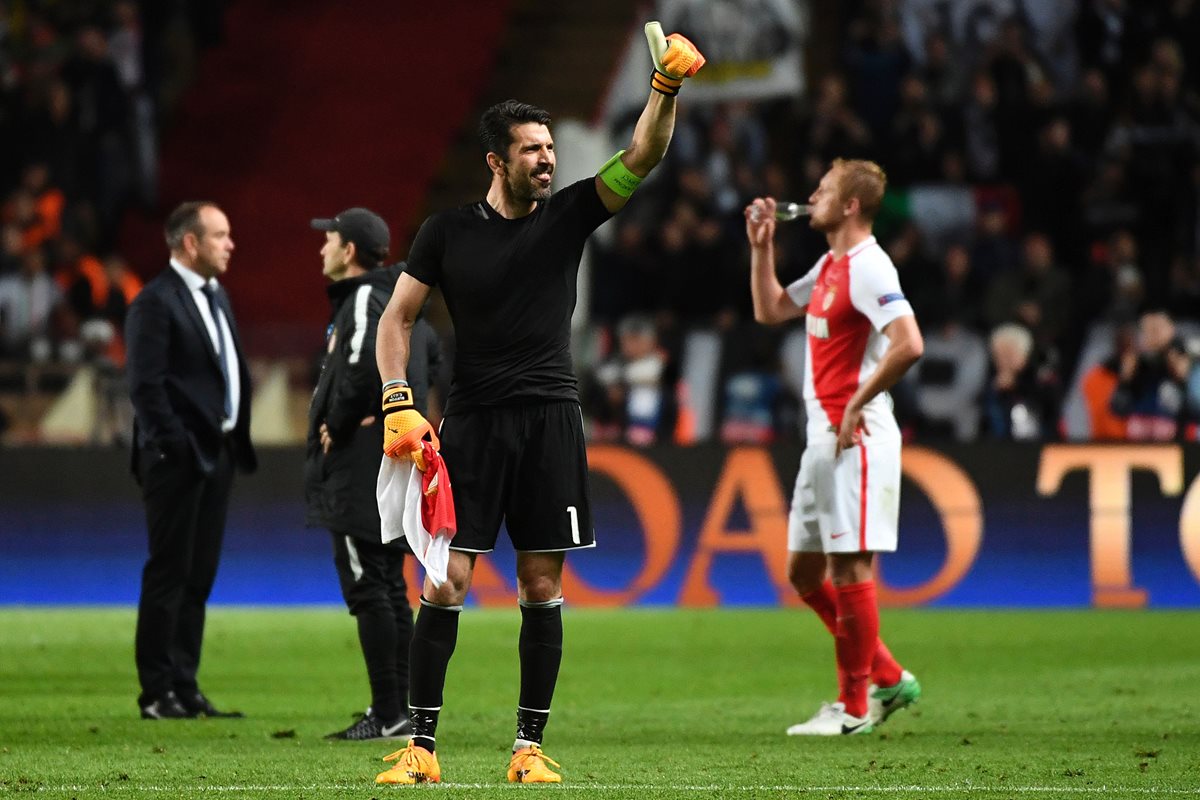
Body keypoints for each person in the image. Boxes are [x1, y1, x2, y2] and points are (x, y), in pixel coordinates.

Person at [372, 23, 704, 785]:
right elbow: (398, 317)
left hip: (553, 417)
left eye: (551, 148)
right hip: (476, 422)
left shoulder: (571, 215)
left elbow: (643, 156)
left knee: (543, 586)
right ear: (497, 160)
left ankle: (527, 750)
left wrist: (665, 90)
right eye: (532, 149)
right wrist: (398, 400)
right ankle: (421, 749)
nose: (548, 158)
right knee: (446, 580)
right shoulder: (447, 233)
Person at [744, 160, 924, 736]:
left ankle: (853, 708)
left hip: (856, 436)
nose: (811, 196)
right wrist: (761, 246)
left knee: (849, 567)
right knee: (802, 572)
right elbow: (770, 309)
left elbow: (908, 343)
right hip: (821, 437)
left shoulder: (870, 268)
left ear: (849, 206)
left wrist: (857, 402)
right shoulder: (831, 265)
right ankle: (889, 675)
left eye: (821, 190)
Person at [304, 207, 441, 741]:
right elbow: (434, 363)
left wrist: (337, 423)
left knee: (368, 586)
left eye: (330, 240)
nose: (323, 249)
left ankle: (388, 711)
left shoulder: (365, 298)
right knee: (387, 585)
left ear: (351, 250)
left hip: (361, 462)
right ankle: (403, 708)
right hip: (390, 458)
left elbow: (361, 368)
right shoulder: (407, 305)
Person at [125, 201, 255, 719]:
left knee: (198, 574)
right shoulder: (154, 302)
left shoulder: (214, 294)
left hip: (216, 454)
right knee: (169, 571)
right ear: (189, 243)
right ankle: (157, 691)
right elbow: (145, 386)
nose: (230, 244)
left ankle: (184, 684)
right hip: (178, 457)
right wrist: (175, 444)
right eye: (220, 235)